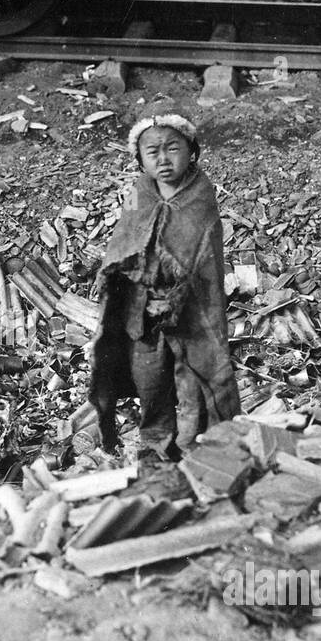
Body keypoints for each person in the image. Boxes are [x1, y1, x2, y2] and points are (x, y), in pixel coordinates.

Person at [87, 113, 240, 461]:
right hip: (142, 309)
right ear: (139, 158)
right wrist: (131, 286)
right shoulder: (140, 194)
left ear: (192, 151)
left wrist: (176, 297)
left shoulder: (200, 196)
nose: (163, 159)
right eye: (152, 151)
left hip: (190, 311)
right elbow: (122, 245)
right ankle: (157, 445)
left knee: (195, 380)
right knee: (149, 379)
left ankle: (197, 446)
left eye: (173, 148)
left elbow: (203, 261)